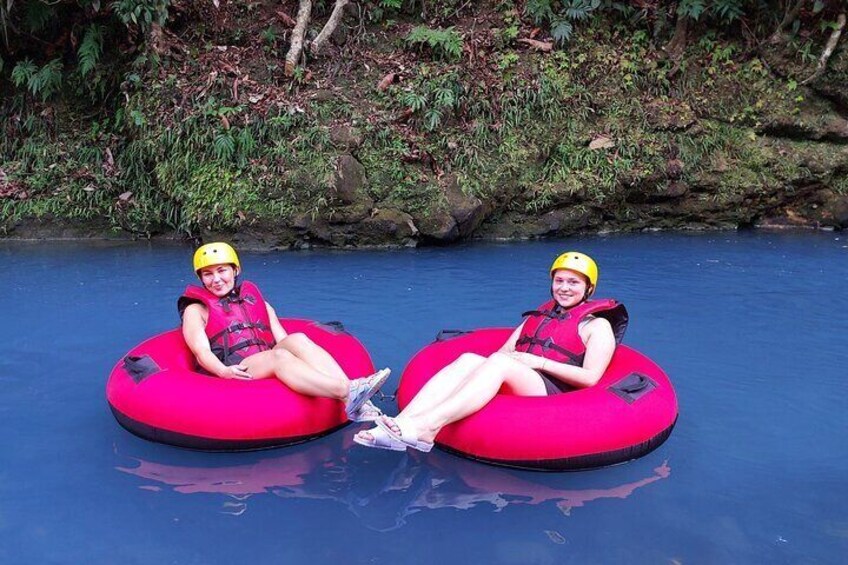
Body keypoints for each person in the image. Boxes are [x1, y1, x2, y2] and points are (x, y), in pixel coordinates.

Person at [354, 251, 627, 452]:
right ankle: (399, 425)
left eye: (574, 283)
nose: (564, 288)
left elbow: (591, 378)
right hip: (527, 377)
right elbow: (506, 351)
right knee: (469, 359)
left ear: (589, 288)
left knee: (497, 363)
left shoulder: (597, 326)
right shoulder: (541, 315)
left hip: (556, 389)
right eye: (560, 281)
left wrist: (538, 362)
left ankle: (427, 429)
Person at [178, 242, 389, 422]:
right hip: (235, 367)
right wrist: (224, 371)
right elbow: (201, 352)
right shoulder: (195, 310)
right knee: (278, 356)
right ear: (201, 278)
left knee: (297, 339)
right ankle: (347, 391)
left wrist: (299, 355)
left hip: (265, 358)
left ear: (235, 270)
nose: (216, 279)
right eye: (208, 274)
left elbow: (282, 339)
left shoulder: (258, 303)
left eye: (222, 270)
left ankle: (358, 402)